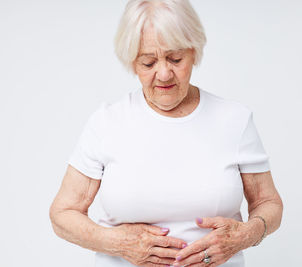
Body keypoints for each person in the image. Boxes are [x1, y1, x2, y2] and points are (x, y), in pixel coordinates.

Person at [49, 0, 283, 266]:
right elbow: (62, 214)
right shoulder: (107, 122)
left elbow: (269, 203)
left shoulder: (235, 120)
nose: (163, 74)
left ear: (194, 51)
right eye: (148, 63)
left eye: (175, 59)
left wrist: (244, 235)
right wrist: (118, 243)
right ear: (132, 62)